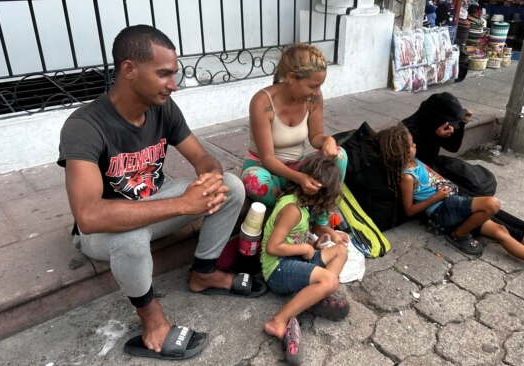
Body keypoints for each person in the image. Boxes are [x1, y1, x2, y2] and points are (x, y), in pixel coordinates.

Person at [58, 25, 266, 361]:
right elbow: (89, 215)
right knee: (132, 237)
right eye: (164, 74)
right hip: (103, 231)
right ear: (129, 69)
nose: (175, 84)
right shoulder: (85, 126)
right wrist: (182, 204)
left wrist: (209, 178)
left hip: (157, 201)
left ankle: (205, 272)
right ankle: (151, 318)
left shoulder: (162, 108)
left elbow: (201, 156)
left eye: (175, 74)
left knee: (231, 186)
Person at [377, 124, 524, 283]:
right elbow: (409, 210)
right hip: (443, 209)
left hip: (451, 202)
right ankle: (458, 235)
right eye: (411, 145)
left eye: (413, 143)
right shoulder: (406, 177)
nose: (415, 146)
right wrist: (436, 198)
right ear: (401, 152)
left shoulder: (414, 162)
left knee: (500, 231)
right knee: (491, 205)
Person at [402, 92, 524, 254]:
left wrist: (460, 125)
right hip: (429, 183)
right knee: (470, 200)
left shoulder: (431, 124)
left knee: (478, 191)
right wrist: (434, 136)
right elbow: (415, 166)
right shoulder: (409, 133)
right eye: (449, 122)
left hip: (434, 174)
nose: (450, 126)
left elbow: (452, 147)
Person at [241, 43, 347, 229]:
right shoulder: (262, 102)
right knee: (253, 180)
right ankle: (293, 217)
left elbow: (315, 137)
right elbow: (267, 158)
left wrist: (327, 141)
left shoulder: (314, 98)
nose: (316, 92)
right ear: (291, 78)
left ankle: (321, 221)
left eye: (319, 86)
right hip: (266, 167)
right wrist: (299, 178)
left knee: (340, 155)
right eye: (313, 86)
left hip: (298, 164)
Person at [260, 155, 350, 365]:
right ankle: (278, 321)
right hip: (277, 269)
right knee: (329, 280)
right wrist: (304, 248)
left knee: (340, 252)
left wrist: (313, 246)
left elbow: (295, 239)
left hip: (293, 260)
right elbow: (272, 247)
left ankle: (313, 296)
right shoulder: (291, 209)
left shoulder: (302, 204)